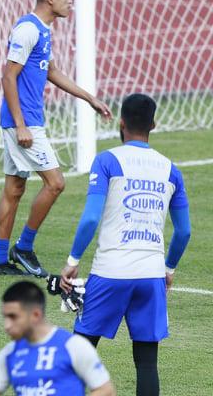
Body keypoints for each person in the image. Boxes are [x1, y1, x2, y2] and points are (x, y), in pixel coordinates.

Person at [59, 93, 192, 396]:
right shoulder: (171, 169)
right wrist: (168, 269)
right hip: (151, 274)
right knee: (146, 362)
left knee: (80, 354)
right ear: (153, 125)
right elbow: (183, 231)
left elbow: (91, 219)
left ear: (120, 123)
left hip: (111, 272)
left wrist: (72, 259)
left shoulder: (107, 160)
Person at [0, 0, 113, 276]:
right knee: (56, 182)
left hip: (28, 120)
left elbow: (52, 72)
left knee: (14, 188)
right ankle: (24, 247)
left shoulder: (43, 30)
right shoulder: (27, 30)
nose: (71, 2)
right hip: (24, 122)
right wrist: (21, 125)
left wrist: (89, 98)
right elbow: (8, 76)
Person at [0, 281, 115, 396]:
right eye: (5, 317)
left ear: (35, 315)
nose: (7, 325)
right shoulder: (9, 353)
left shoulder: (74, 346)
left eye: (13, 317)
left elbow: (105, 391)